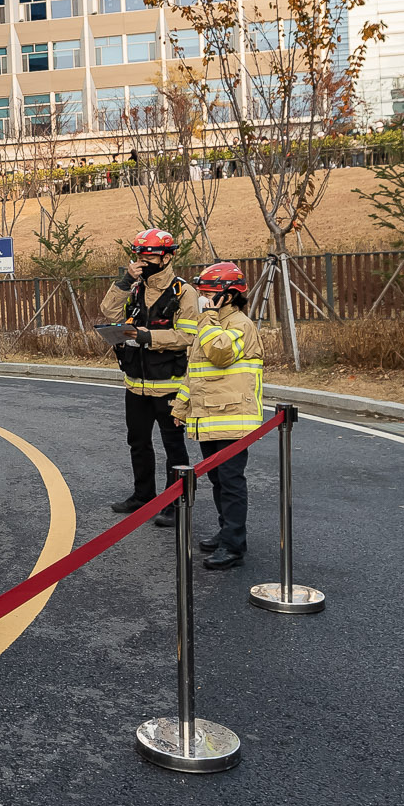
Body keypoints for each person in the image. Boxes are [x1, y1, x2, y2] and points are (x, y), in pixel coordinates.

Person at [100, 227, 202, 527]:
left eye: (150, 255)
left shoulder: (184, 292)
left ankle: (176, 501)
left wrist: (146, 337)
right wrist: (125, 280)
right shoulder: (134, 286)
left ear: (168, 257)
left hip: (169, 386)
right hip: (135, 384)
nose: (143, 261)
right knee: (138, 442)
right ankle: (143, 495)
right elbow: (108, 310)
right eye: (139, 255)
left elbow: (186, 336)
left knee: (173, 445)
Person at [179, 261, 264, 569]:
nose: (202, 298)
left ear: (227, 296)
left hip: (233, 419)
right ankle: (225, 531)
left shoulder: (240, 324)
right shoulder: (212, 323)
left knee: (230, 481)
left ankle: (234, 545)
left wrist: (206, 318)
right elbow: (196, 373)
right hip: (209, 416)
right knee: (217, 480)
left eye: (208, 294)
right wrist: (181, 407)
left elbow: (219, 352)